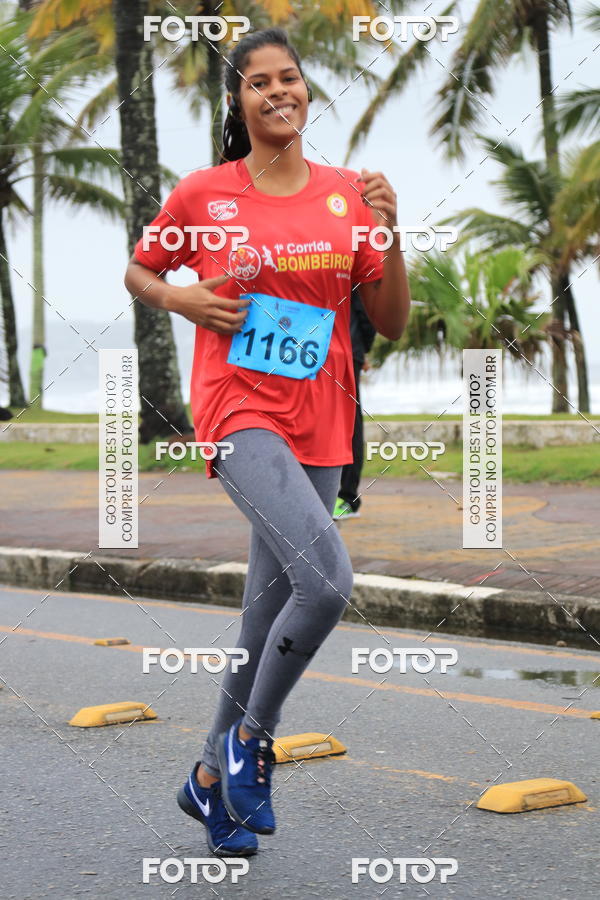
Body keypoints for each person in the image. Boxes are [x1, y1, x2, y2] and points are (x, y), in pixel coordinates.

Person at [124, 27, 410, 857]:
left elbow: (387, 320)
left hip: (322, 418)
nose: (278, 92)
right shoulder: (204, 195)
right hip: (236, 408)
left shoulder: (348, 195)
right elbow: (140, 270)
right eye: (260, 83)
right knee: (324, 581)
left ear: (306, 94)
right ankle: (254, 739)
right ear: (238, 100)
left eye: (291, 79)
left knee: (267, 609)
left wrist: (390, 230)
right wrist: (183, 302)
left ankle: (208, 779)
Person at [333, 284, 377, 520]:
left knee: (349, 423)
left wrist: (361, 350)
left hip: (347, 350)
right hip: (317, 350)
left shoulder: (350, 258)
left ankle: (347, 498)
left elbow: (367, 312)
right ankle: (332, 494)